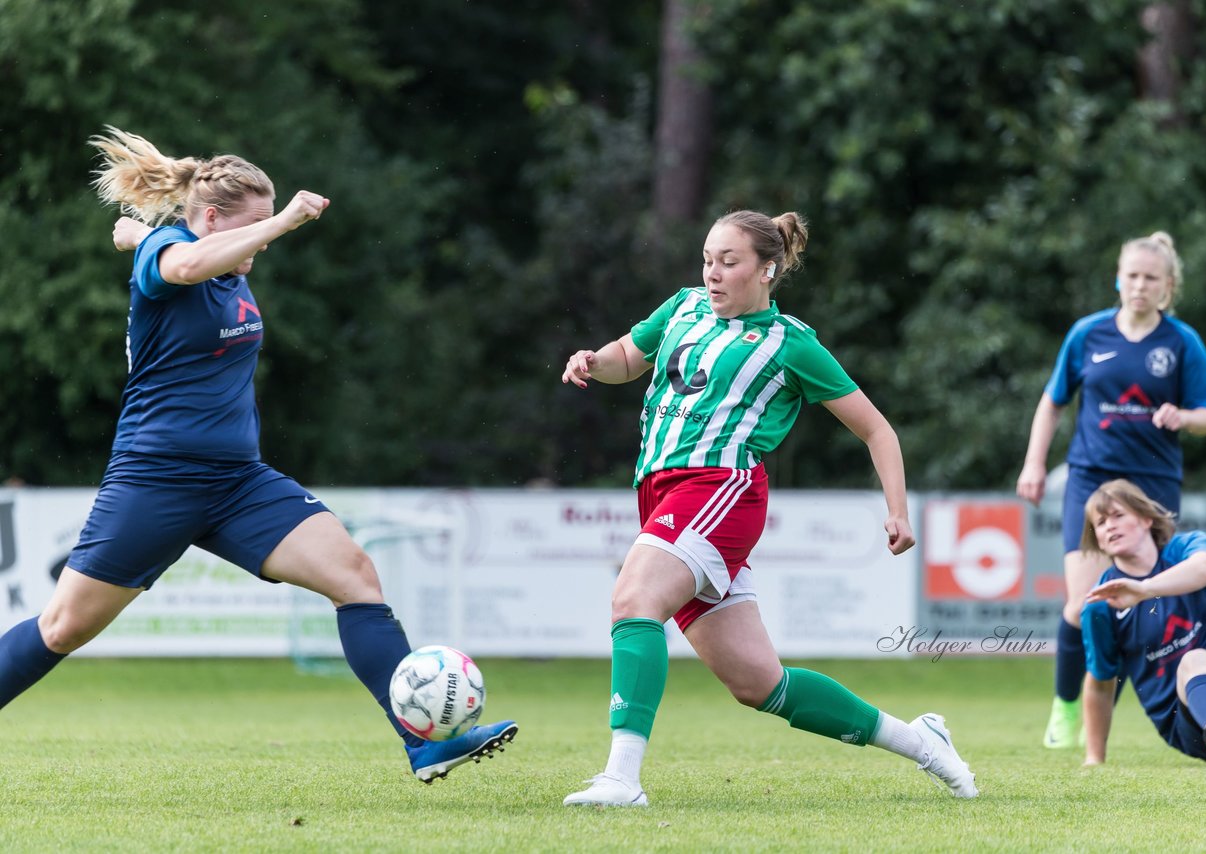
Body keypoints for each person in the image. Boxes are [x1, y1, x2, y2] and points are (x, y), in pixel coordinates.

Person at [0, 127, 516, 783]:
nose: (262, 241)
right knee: (63, 627)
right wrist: (284, 221)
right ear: (211, 218)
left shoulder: (203, 256)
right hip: (156, 480)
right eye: (255, 228)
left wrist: (136, 238)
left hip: (239, 483)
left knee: (354, 575)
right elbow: (180, 263)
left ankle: (423, 744)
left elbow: (180, 253)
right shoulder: (174, 252)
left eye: (269, 226)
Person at [558, 209, 977, 807]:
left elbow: (877, 430)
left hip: (720, 488)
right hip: (664, 495)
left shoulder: (791, 344)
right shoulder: (681, 309)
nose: (713, 274)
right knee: (758, 683)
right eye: (707, 260)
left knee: (634, 600)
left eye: (729, 263)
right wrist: (593, 361)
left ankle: (622, 779)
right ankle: (922, 741)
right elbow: (629, 357)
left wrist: (898, 511)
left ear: (768, 269)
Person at [1015, 231, 1206, 750]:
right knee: (1085, 605)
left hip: (1152, 488)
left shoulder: (1181, 343)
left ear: (1167, 287)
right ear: (1118, 278)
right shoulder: (1088, 334)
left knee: (1136, 608)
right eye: (1131, 275)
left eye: (1151, 278)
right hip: (1091, 482)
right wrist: (1035, 463)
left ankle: (1099, 717)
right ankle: (1067, 706)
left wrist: (1185, 416)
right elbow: (1053, 401)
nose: (1139, 285)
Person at [1079, 479, 1206, 768]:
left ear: (1146, 519)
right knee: (1194, 659)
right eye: (1101, 522)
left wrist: (1145, 589)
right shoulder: (1101, 604)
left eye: (1118, 515)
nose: (1109, 526)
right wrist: (1094, 759)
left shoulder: (1185, 547)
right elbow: (1100, 682)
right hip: (1195, 720)